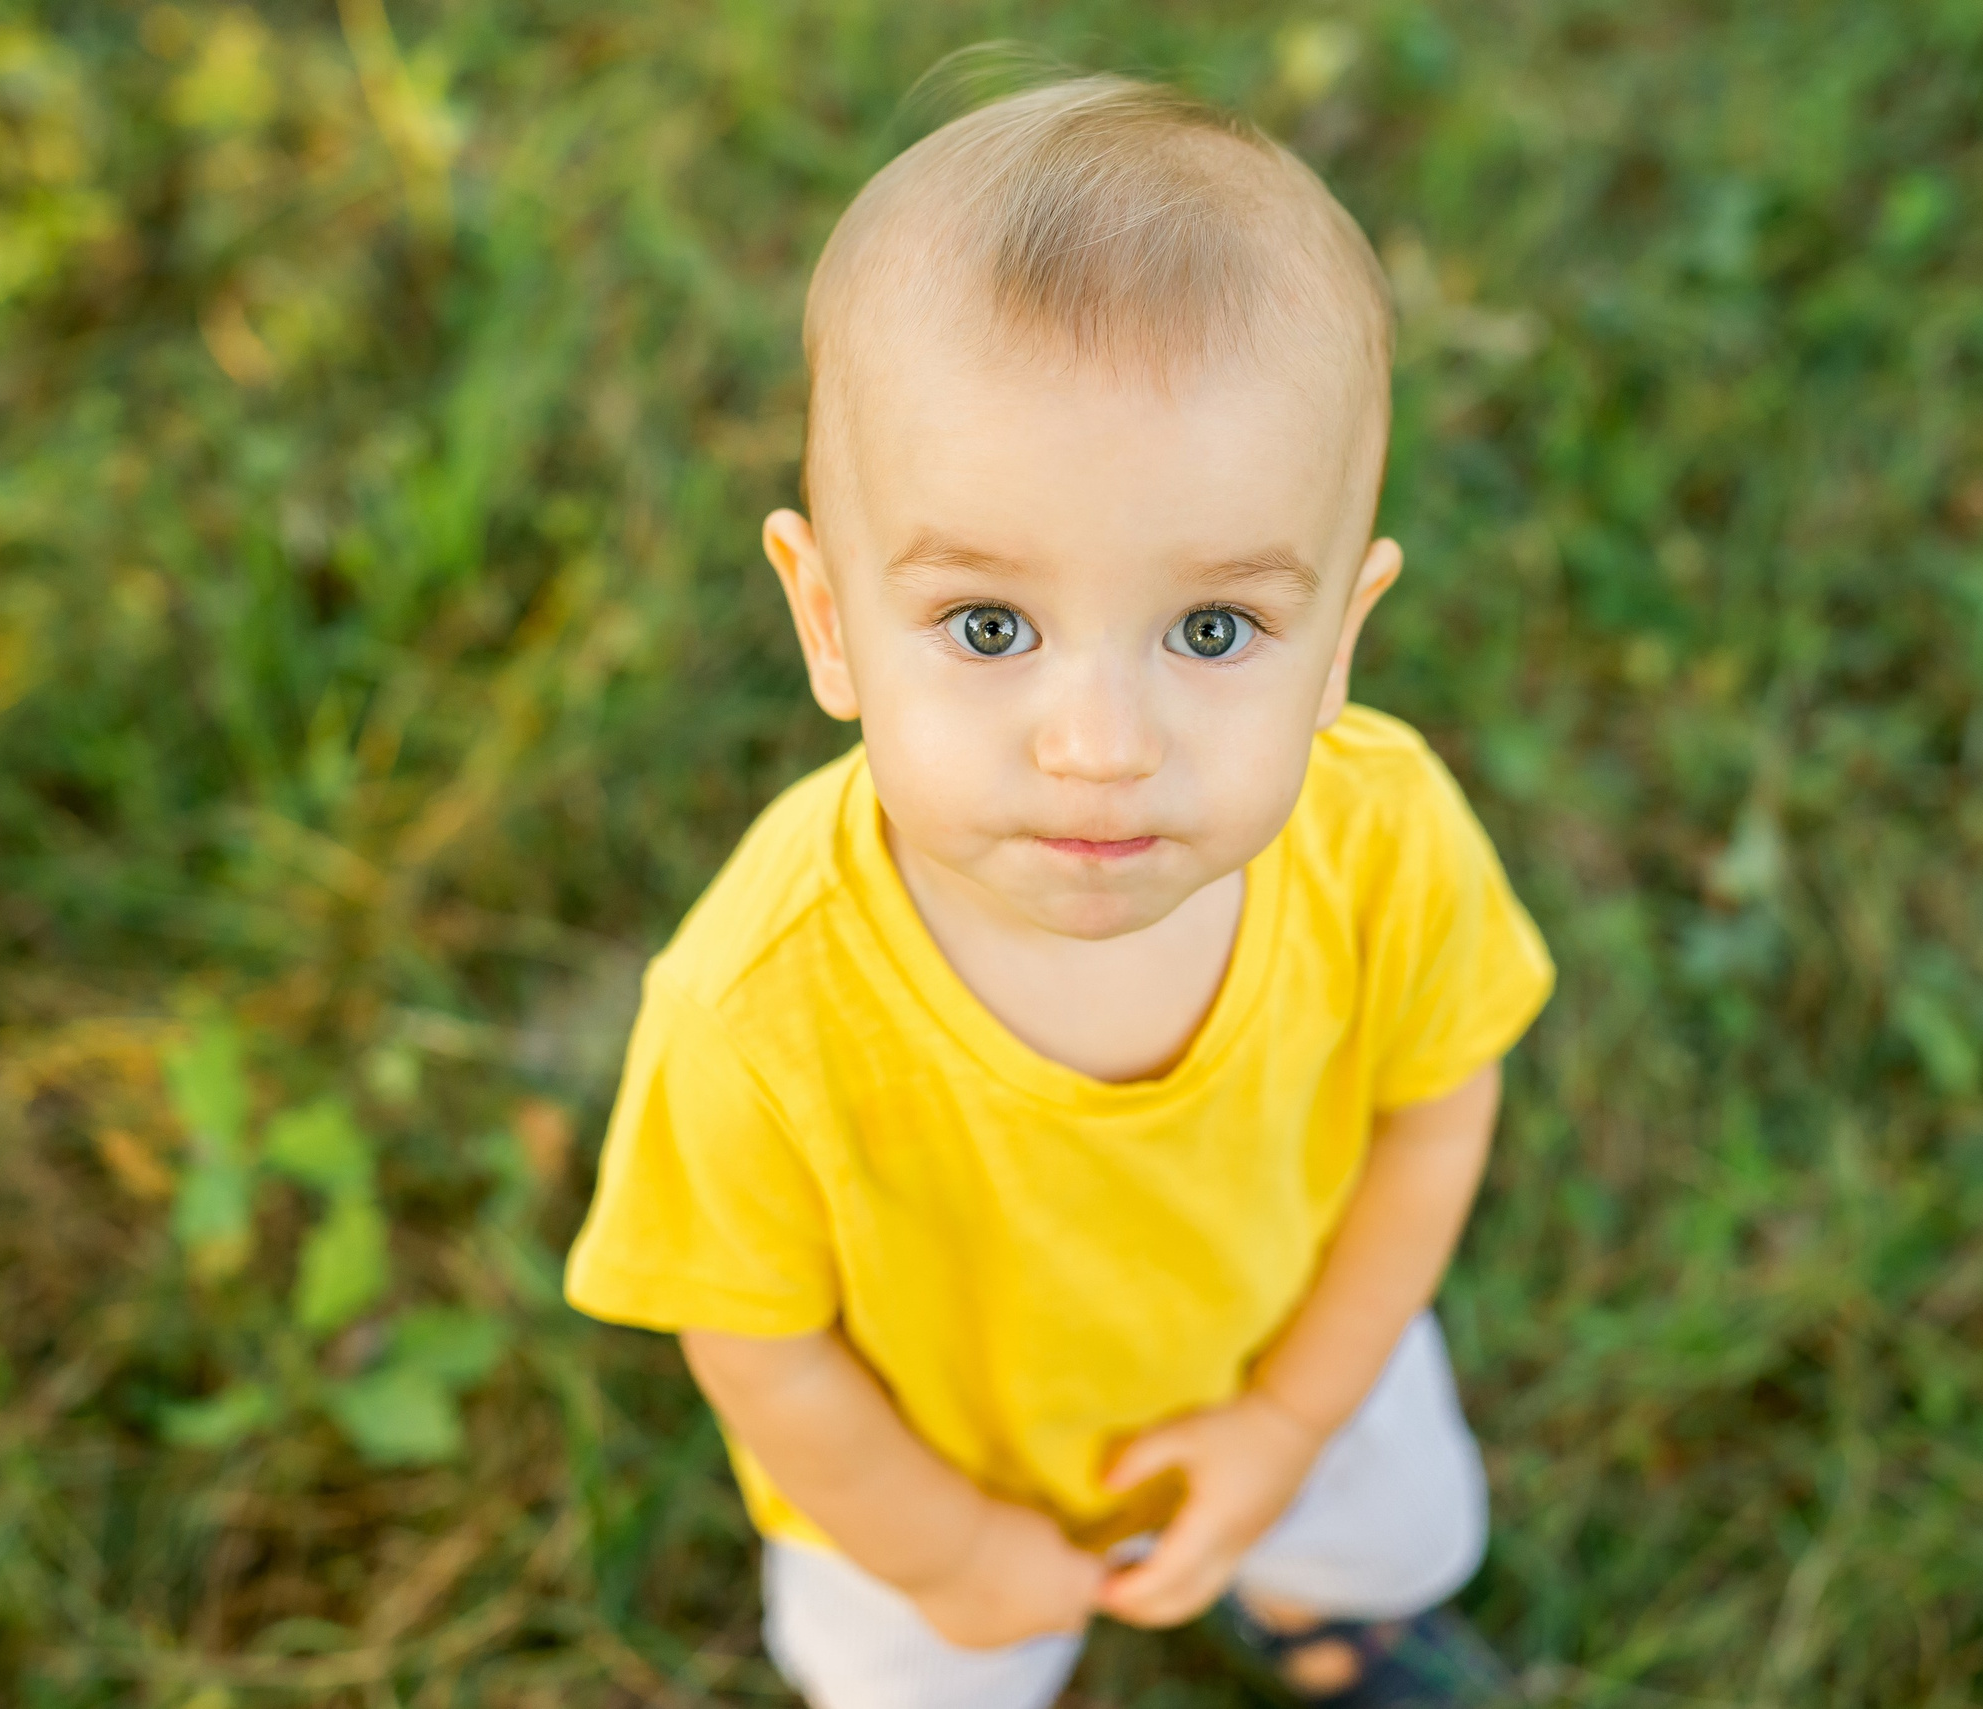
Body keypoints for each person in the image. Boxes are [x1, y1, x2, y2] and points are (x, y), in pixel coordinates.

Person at [562, 70, 1555, 1709]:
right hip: (929, 1464)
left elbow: (1434, 1112)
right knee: (927, 1674)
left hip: (1292, 1348)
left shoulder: (1379, 839)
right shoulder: (757, 1006)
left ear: (1340, 642)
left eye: (1215, 630)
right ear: (826, 620)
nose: (1101, 746)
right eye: (991, 626)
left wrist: (1294, 1416)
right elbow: (754, 1335)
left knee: (1373, 1524)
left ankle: (1320, 1611)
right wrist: (947, 1545)